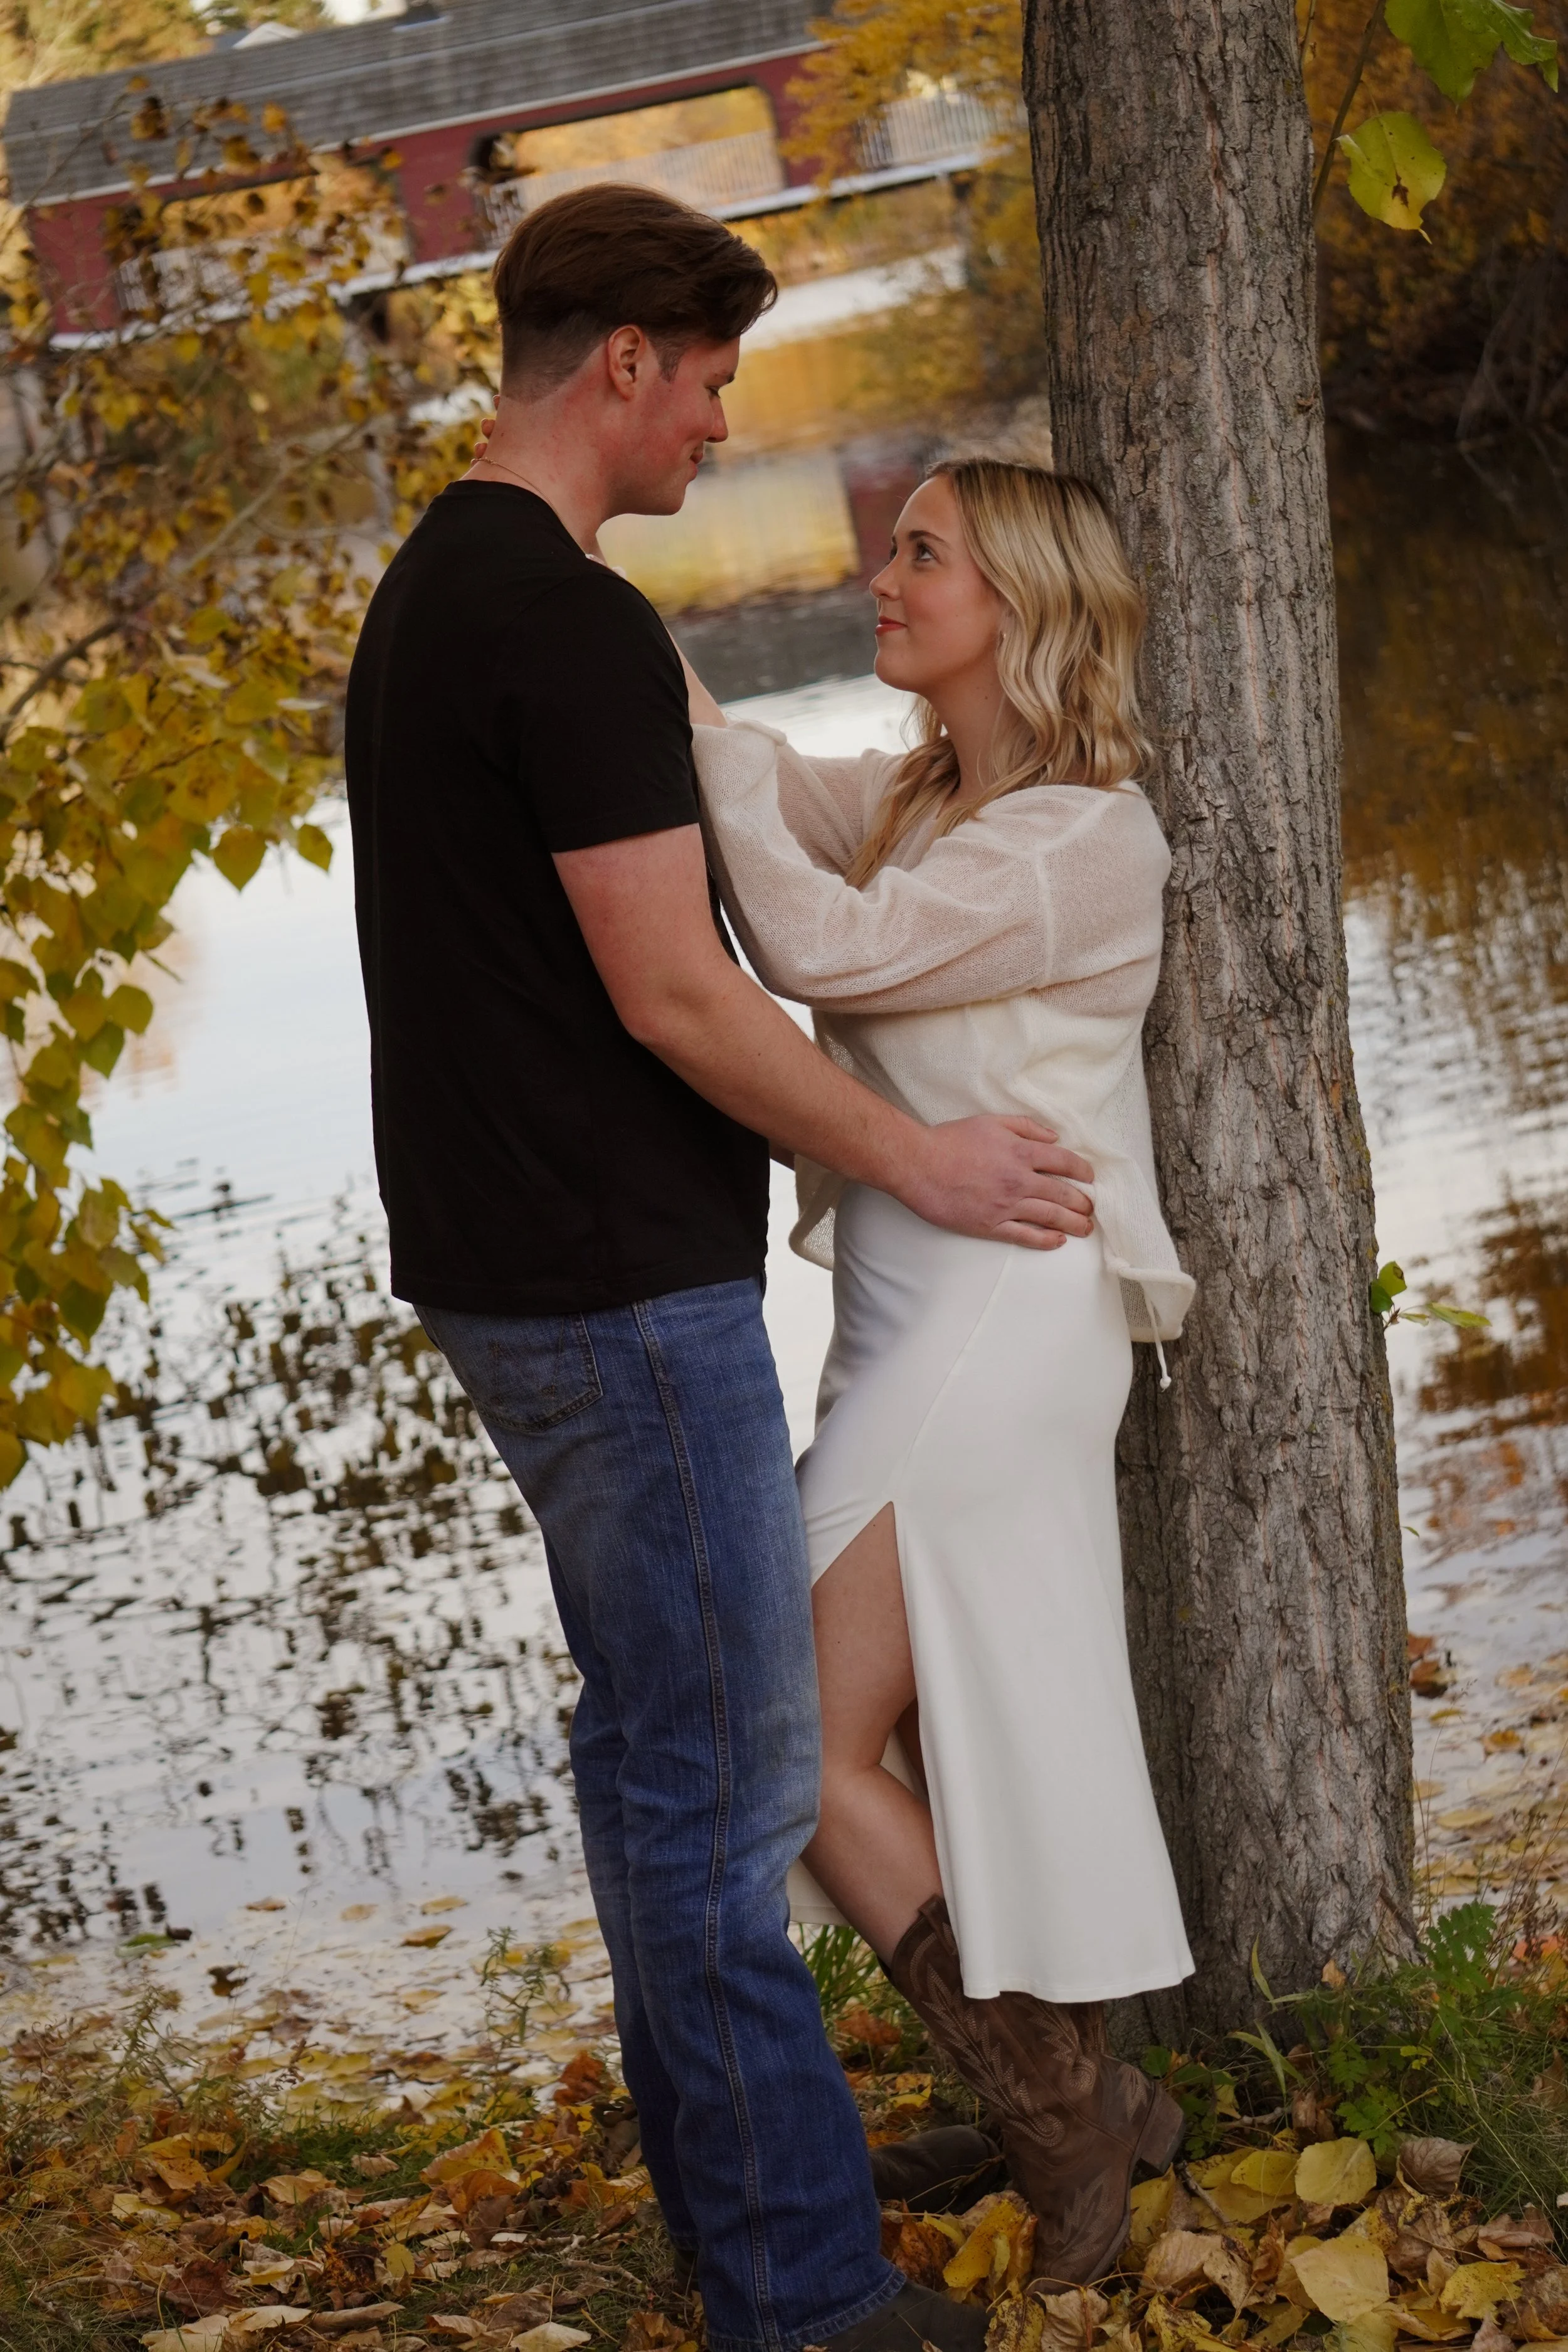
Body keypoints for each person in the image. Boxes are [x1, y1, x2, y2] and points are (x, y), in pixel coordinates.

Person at [344, 186, 1102, 2352]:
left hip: (508, 1268)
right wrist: (919, 1155)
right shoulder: (561, 622)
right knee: (727, 1789)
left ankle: (733, 2218)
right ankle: (805, 2297)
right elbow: (677, 992)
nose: (719, 423)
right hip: (607, 1286)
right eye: (706, 381)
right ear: (621, 365)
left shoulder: (435, 589)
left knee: (651, 1765)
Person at [682, 457, 1197, 2287]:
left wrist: (711, 757)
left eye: (921, 554)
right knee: (928, 1732)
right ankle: (1069, 2083)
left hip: (999, 1325)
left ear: (1022, 603)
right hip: (908, 1330)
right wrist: (609, 627)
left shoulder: (1080, 841)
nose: (879, 576)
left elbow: (809, 936)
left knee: (788, 1734)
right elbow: (752, 778)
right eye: (888, 547)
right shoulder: (922, 798)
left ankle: (1066, 2115)